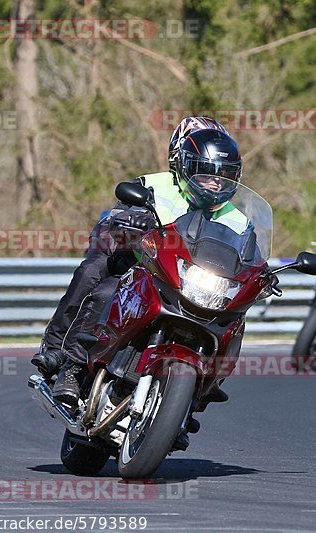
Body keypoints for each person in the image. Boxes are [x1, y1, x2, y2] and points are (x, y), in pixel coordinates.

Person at [31, 117, 230, 379]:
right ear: (182, 156)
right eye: (206, 168)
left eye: (221, 171)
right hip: (135, 262)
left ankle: (204, 388)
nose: (214, 178)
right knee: (94, 272)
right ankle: (60, 350)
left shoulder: (234, 214)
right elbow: (115, 219)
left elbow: (249, 250)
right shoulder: (152, 184)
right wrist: (131, 221)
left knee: (234, 319)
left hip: (186, 280)